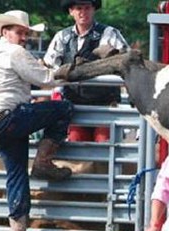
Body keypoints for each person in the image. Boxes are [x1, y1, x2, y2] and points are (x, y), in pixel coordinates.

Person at [0, 10, 74, 231]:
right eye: (19, 32)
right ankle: (43, 161)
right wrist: (69, 71)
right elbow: (47, 79)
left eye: (25, 33)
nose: (23, 37)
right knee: (63, 108)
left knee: (17, 175)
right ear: (5, 31)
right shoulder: (14, 52)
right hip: (10, 117)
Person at [44, 0, 129, 142]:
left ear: (93, 9)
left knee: (104, 143)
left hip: (105, 104)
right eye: (79, 8)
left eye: (87, 8)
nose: (83, 12)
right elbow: (49, 65)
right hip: (74, 104)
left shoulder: (109, 33)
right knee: (76, 140)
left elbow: (127, 61)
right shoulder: (62, 37)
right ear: (71, 11)